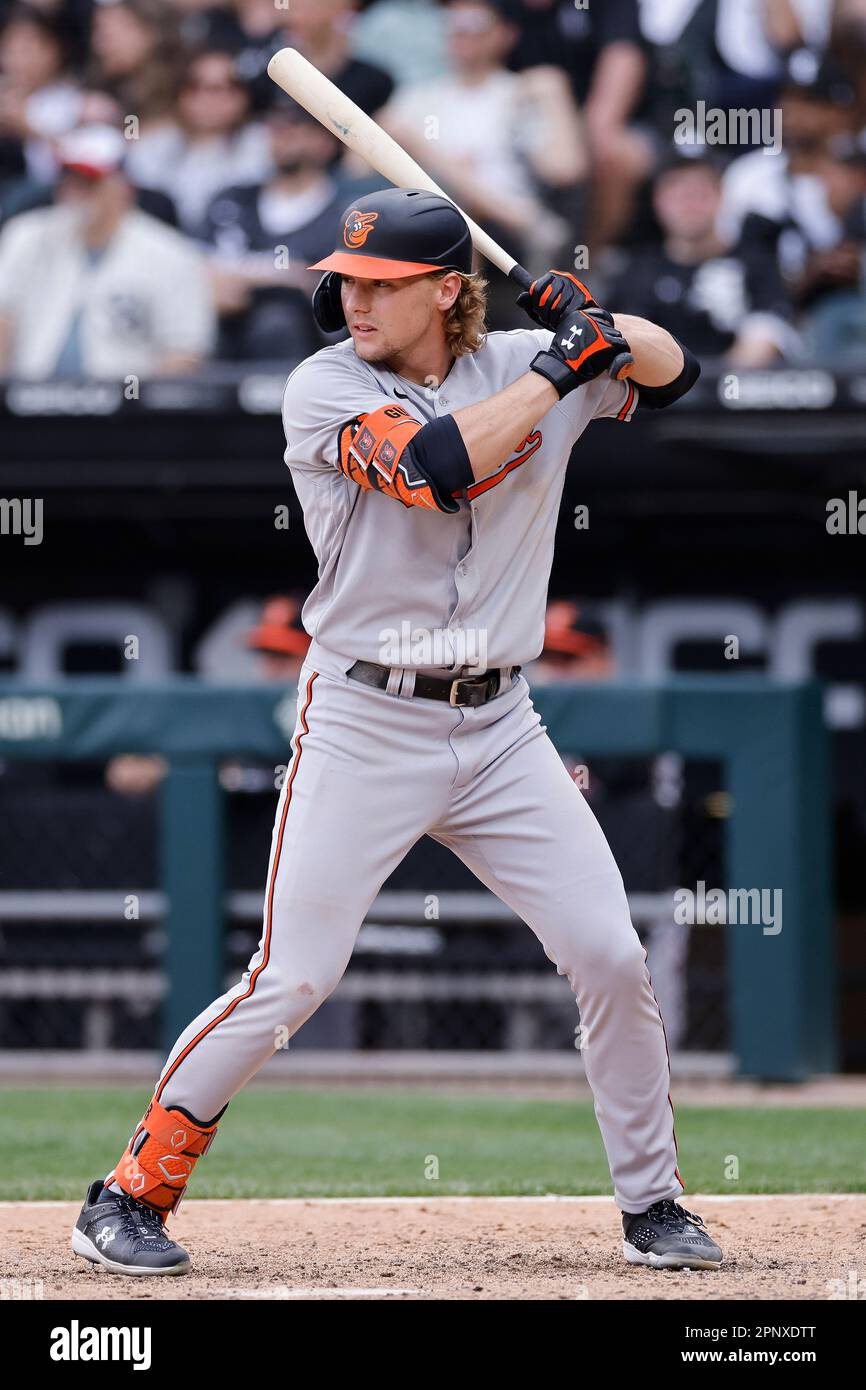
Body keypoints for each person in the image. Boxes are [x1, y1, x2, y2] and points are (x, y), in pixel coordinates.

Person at [71, 185, 722, 1278]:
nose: (350, 297)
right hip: (364, 719)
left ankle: (650, 1201)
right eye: (349, 279)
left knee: (610, 955)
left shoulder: (521, 355)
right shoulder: (324, 384)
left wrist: (599, 320)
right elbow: (432, 470)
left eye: (380, 284)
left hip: (504, 725)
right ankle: (128, 1193)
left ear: (446, 293)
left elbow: (670, 376)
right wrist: (561, 366)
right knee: (294, 973)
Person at [378, 0, 585, 271]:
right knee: (451, 207)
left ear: (506, 34)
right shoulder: (419, 97)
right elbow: (355, 168)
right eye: (452, 21)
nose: (460, 31)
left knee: (456, 212)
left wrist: (555, 95)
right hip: (441, 212)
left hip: (506, 222)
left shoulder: (520, 92)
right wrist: (447, 165)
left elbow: (565, 169)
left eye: (474, 22)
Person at [0, 124, 215, 378]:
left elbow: (186, 351)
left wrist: (141, 407)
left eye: (88, 182)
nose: (74, 192)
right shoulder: (26, 235)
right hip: (29, 402)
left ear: (124, 188)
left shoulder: (171, 253)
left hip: (130, 410)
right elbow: (4, 320)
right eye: (68, 180)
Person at [198, 92, 371, 361]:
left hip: (306, 352)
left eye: (297, 123)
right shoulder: (230, 201)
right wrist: (284, 277)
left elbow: (333, 301)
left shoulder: (349, 218)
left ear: (326, 140)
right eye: (274, 122)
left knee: (278, 321)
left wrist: (250, 280)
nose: (282, 130)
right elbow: (197, 271)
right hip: (220, 338)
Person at [606, 154, 797, 365]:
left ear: (721, 197)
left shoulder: (756, 262)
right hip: (659, 391)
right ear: (658, 202)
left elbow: (770, 333)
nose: (689, 206)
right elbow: (619, 342)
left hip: (737, 389)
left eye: (699, 195)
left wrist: (713, 387)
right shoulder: (636, 271)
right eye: (678, 196)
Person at [123, 47, 272, 234]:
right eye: (195, 86)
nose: (206, 97)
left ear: (243, 96)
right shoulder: (154, 144)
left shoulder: (264, 143)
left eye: (220, 88)